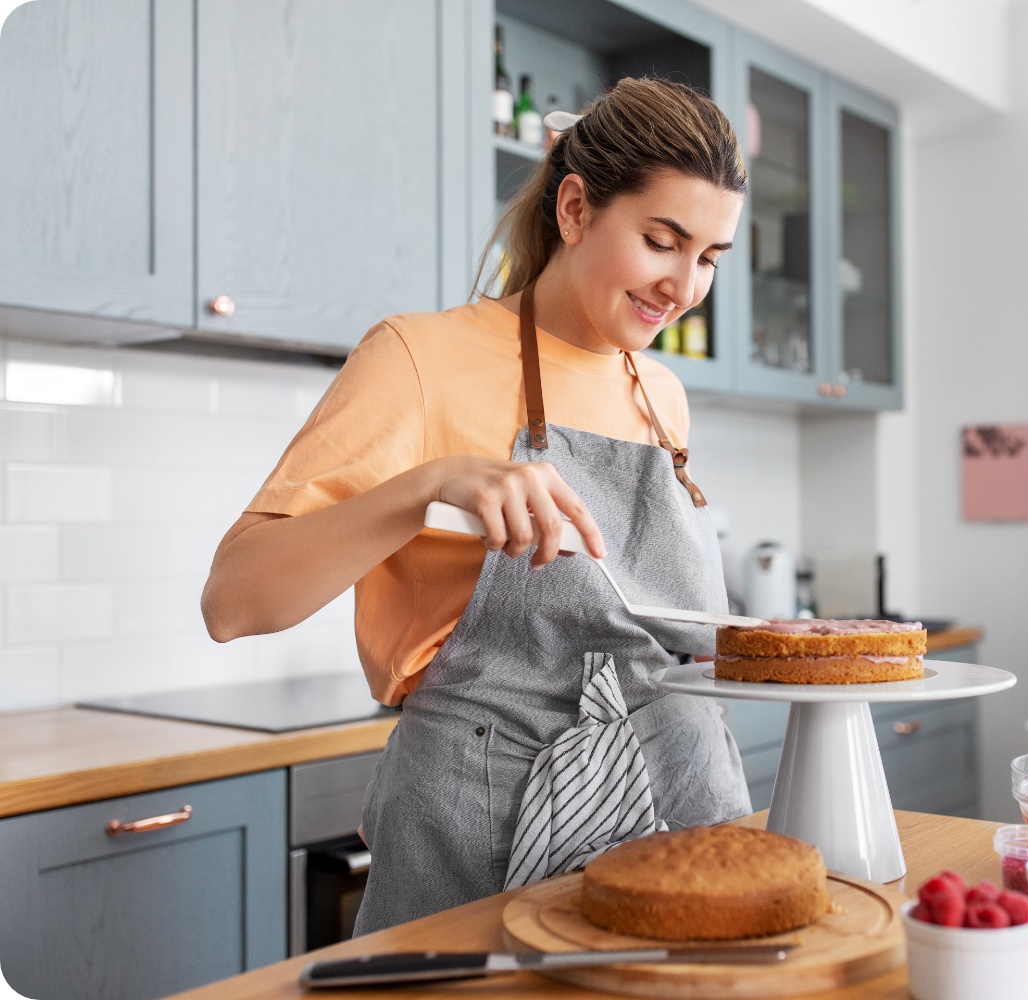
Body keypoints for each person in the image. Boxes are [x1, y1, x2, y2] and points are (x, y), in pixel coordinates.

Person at [200, 77, 752, 933]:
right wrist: (429, 484)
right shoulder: (419, 357)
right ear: (575, 208)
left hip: (676, 803)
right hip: (485, 820)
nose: (684, 286)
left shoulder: (661, 393)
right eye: (661, 241)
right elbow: (234, 601)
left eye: (711, 258)